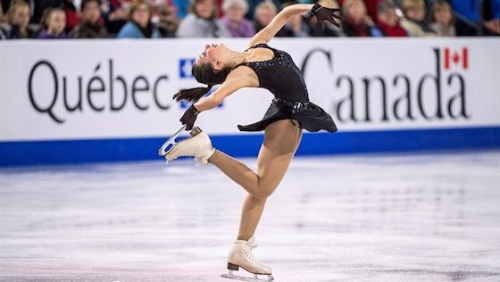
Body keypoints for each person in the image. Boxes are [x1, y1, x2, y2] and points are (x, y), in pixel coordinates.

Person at [164, 2, 340, 279]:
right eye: (204, 53)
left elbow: (282, 15)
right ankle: (207, 152)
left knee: (258, 189)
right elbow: (217, 97)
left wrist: (313, 7)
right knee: (262, 188)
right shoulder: (242, 73)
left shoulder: (254, 46)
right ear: (217, 64)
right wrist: (195, 110)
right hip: (285, 120)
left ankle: (240, 247)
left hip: (287, 113)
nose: (207, 46)